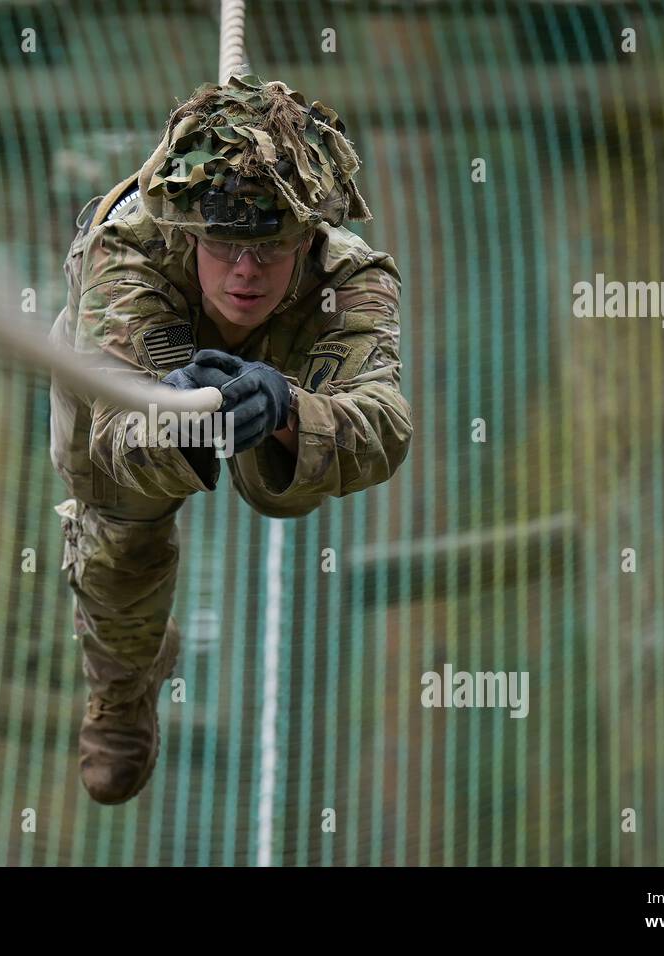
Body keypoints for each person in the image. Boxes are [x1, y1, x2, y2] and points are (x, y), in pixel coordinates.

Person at [47, 74, 414, 805]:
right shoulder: (130, 252)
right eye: (226, 248)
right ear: (189, 230)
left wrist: (288, 412)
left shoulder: (347, 278)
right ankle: (123, 686)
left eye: (271, 249)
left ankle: (271, 423)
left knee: (290, 493)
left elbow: (387, 425)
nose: (246, 272)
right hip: (133, 386)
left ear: (308, 238)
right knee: (122, 531)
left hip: (284, 379)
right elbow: (120, 434)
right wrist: (172, 411)